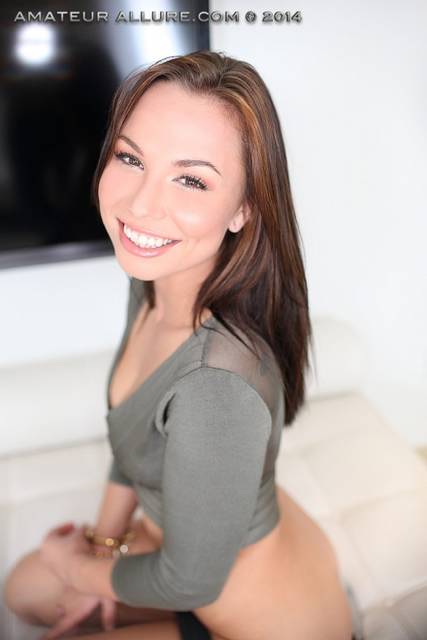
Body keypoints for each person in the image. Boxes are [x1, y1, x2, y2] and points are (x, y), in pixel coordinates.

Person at [3, 50, 358, 640]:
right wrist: (103, 545)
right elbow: (132, 439)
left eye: (191, 179)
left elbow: (190, 582)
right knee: (23, 590)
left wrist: (76, 568)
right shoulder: (153, 279)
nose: (140, 205)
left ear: (244, 207)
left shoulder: (216, 387)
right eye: (130, 157)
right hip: (181, 549)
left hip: (250, 614)